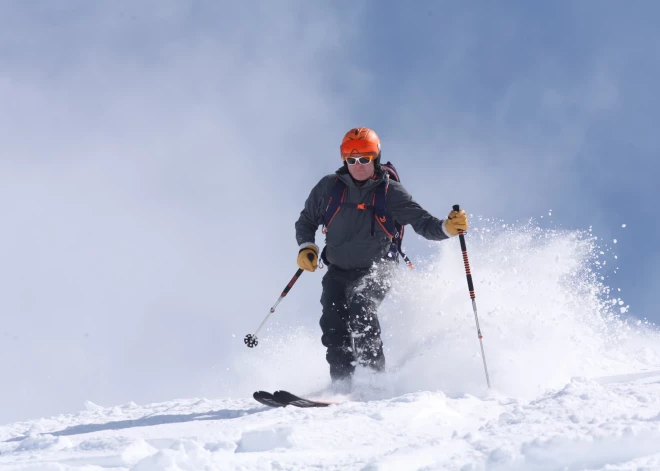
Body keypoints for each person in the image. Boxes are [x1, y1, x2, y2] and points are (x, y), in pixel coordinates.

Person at [295, 127, 468, 389]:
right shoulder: (329, 188)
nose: (358, 165)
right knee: (333, 322)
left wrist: (448, 227)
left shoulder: (391, 193)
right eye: (351, 160)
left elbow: (424, 224)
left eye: (364, 159)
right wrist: (307, 246)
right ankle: (342, 385)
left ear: (375, 158)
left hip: (378, 268)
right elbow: (306, 219)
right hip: (338, 271)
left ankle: (373, 381)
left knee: (361, 306)